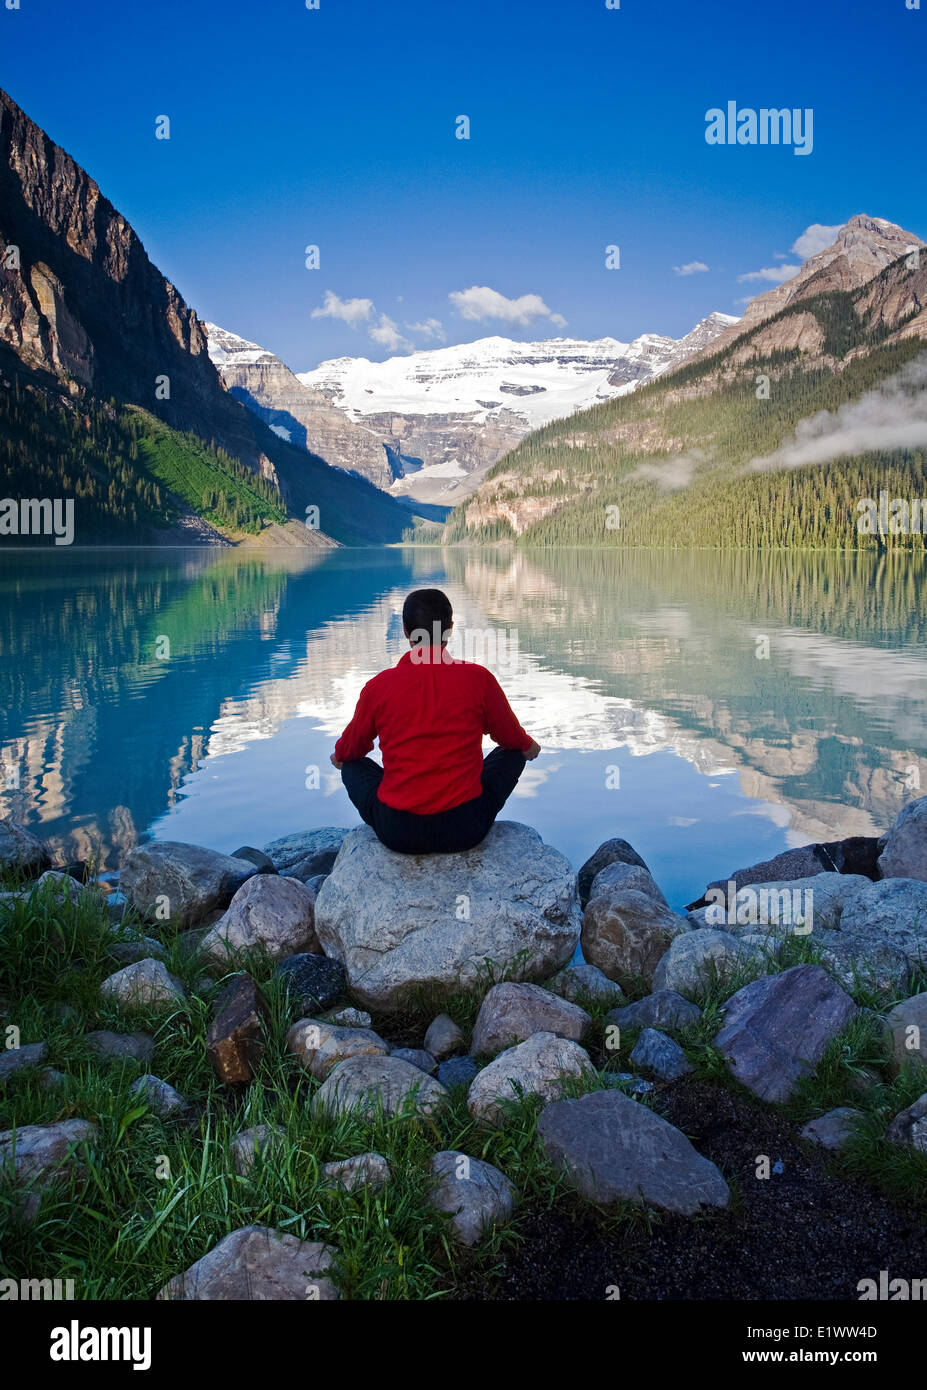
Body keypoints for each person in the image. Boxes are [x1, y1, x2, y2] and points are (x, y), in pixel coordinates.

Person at [331, 588, 540, 853]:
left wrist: (340, 757)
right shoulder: (478, 679)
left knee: (352, 765)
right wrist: (528, 746)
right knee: (512, 754)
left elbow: (348, 751)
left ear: (406, 632)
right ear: (450, 629)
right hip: (465, 829)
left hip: (398, 831)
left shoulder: (379, 687)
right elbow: (513, 739)